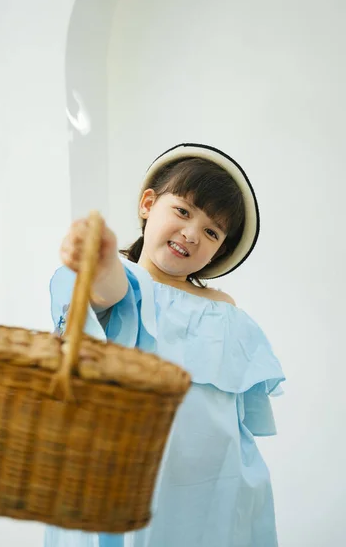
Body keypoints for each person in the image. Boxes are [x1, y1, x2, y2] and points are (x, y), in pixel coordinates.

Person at [44, 143, 285, 547]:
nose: (192, 234)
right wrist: (99, 263)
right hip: (131, 478)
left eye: (211, 232)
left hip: (220, 488)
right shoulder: (129, 280)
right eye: (183, 211)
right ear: (147, 204)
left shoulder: (225, 310)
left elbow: (236, 414)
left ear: (218, 251)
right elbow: (109, 291)